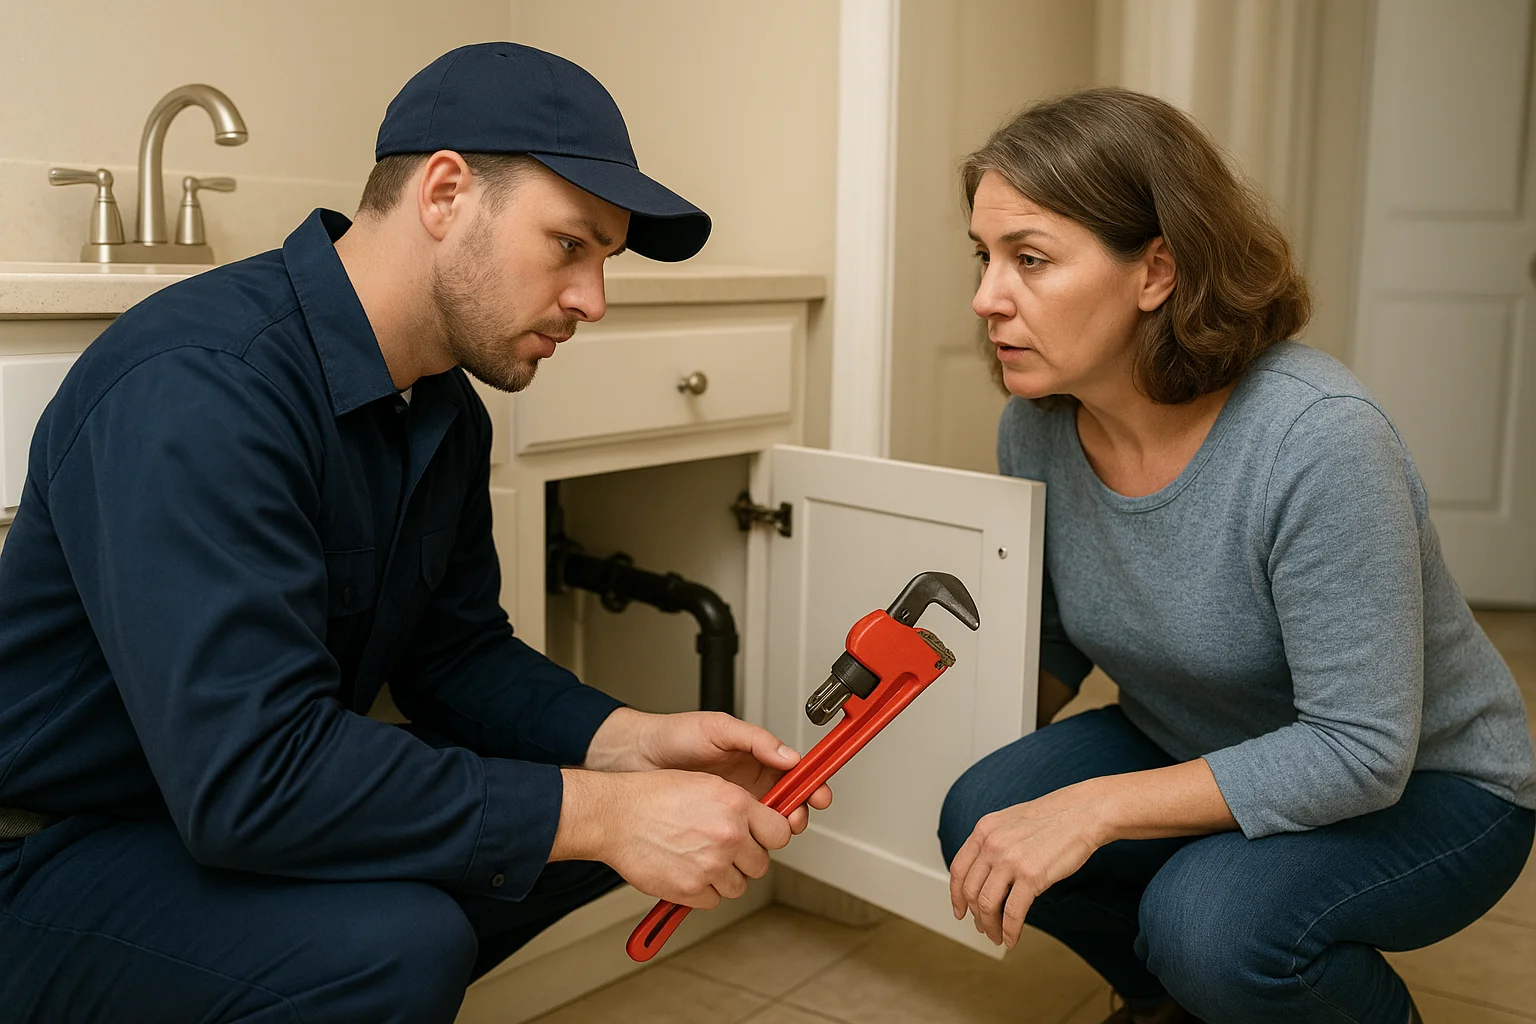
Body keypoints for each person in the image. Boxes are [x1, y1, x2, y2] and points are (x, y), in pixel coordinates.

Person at [0, 42, 829, 1023]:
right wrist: (599, 811)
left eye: (604, 260)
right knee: (406, 938)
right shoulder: (203, 386)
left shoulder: (441, 409)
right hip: (47, 847)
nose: (593, 301)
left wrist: (630, 747)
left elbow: (453, 655)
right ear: (444, 193)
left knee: (594, 834)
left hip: (199, 814)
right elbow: (252, 775)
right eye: (570, 244)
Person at [937, 88, 1536, 1024]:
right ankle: (1172, 1005)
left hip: (1430, 783)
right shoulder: (1038, 428)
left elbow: (1361, 750)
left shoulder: (1318, 439)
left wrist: (1094, 807)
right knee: (982, 815)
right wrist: (899, 743)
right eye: (985, 256)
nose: (986, 298)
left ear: (1156, 271)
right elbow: (1054, 639)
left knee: (1209, 923)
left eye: (1031, 258)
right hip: (1197, 733)